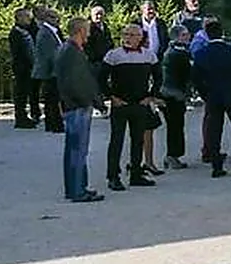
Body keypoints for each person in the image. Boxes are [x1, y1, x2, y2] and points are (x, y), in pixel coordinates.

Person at [191, 19, 231, 180]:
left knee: (214, 130)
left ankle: (216, 166)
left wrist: (205, 94)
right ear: (222, 33)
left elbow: (196, 78)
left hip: (213, 94)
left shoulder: (201, 53)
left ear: (207, 34)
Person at [100, 22, 160, 192]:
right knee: (116, 140)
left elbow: (158, 77)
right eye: (125, 34)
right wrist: (111, 97)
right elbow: (101, 78)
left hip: (140, 103)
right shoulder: (113, 55)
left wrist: (150, 96)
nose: (127, 38)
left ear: (140, 38)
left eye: (132, 35)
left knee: (138, 140)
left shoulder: (149, 55)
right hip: (120, 104)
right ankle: (113, 176)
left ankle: (136, 174)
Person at [56, 17, 103, 203]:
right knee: (78, 150)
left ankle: (77, 188)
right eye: (87, 30)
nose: (89, 34)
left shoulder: (69, 50)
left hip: (74, 105)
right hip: (77, 107)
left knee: (74, 150)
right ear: (81, 31)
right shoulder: (71, 52)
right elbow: (76, 82)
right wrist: (88, 101)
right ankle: (77, 190)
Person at [158, 26, 193, 170]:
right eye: (184, 35)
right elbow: (188, 74)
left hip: (169, 92)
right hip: (173, 94)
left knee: (174, 126)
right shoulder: (178, 53)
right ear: (177, 37)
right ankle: (172, 155)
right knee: (175, 126)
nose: (188, 37)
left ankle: (173, 155)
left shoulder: (170, 51)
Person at [32, 7, 64, 133]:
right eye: (53, 17)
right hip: (50, 71)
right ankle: (55, 124)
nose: (57, 20)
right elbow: (51, 54)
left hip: (51, 70)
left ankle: (52, 124)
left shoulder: (51, 31)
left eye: (57, 17)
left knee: (52, 98)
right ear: (46, 18)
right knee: (52, 99)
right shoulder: (45, 32)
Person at [9, 7, 35, 128]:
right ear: (18, 18)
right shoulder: (16, 32)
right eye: (26, 16)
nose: (29, 19)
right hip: (21, 67)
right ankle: (20, 118)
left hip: (27, 66)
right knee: (21, 93)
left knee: (25, 92)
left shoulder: (24, 31)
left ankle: (24, 116)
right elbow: (19, 52)